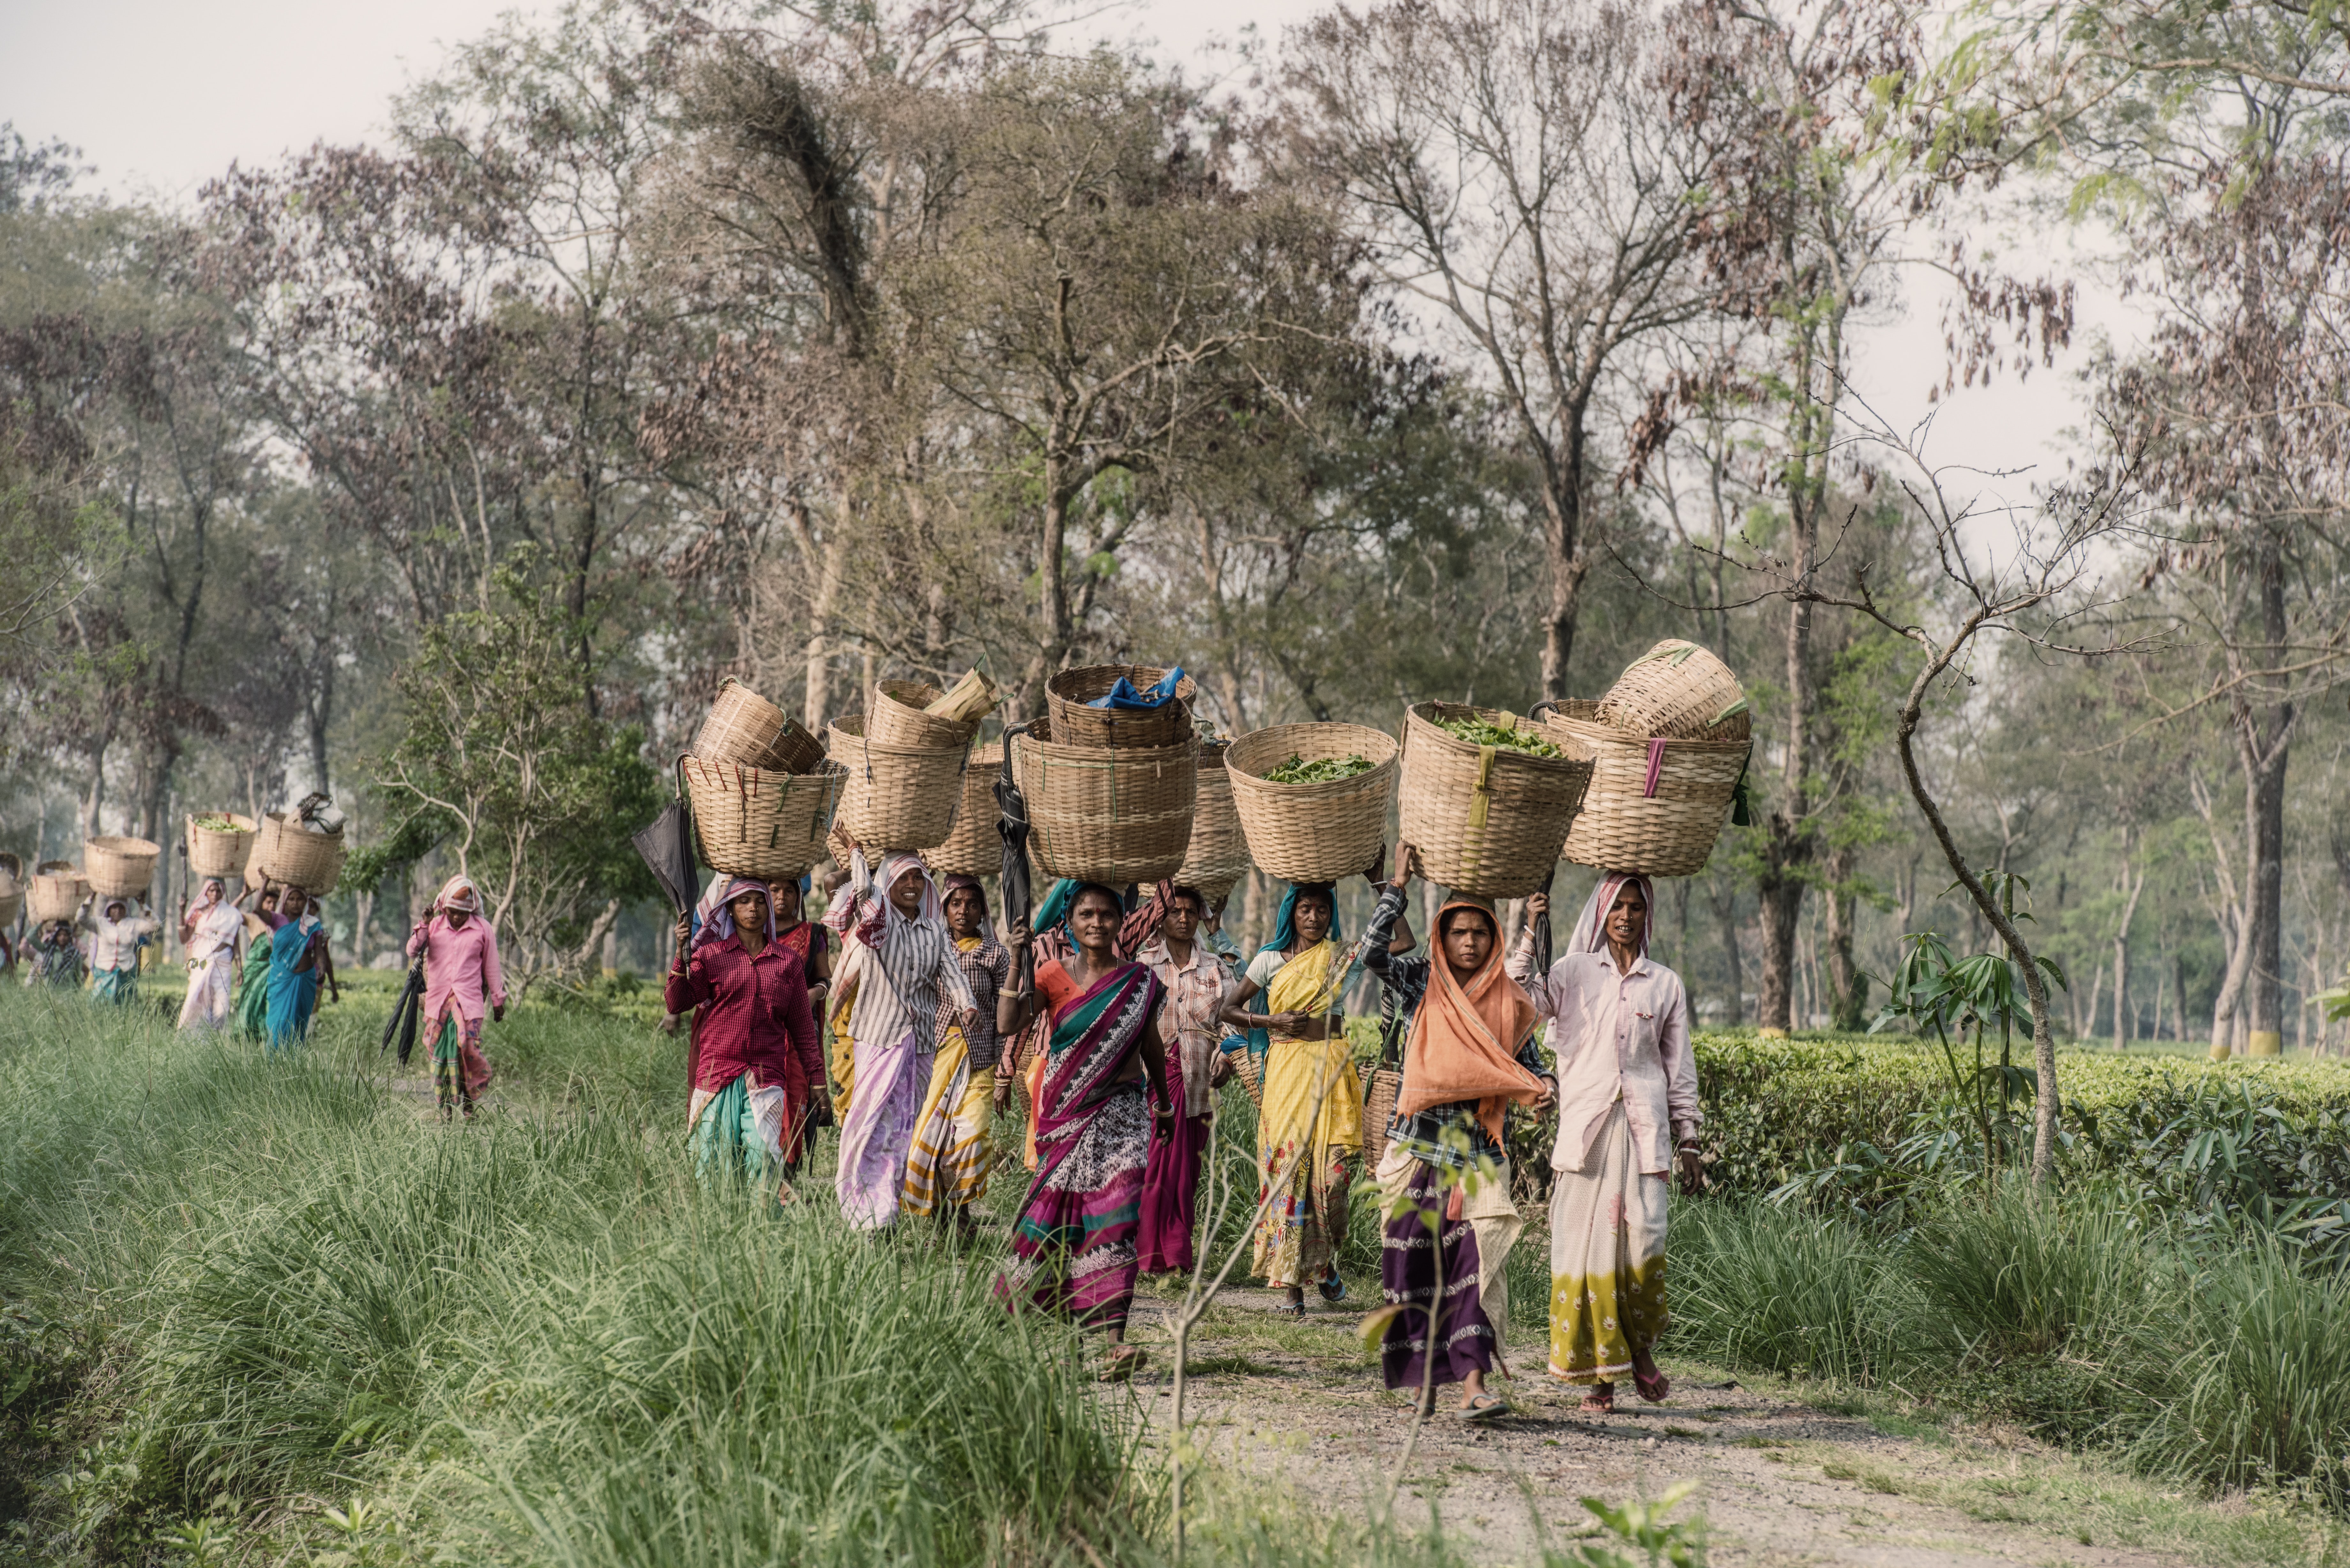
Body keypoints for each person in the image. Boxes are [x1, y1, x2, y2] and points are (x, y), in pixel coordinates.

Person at [1361, 844, 1553, 1419]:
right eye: (1458, 932)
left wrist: (1546, 1090)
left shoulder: (1510, 1002)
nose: (1469, 943)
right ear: (1441, 937)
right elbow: (1372, 953)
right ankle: (1423, 1382)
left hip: (1476, 1158)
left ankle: (1473, 1384)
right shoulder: (1420, 983)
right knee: (1412, 1267)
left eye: (1479, 933)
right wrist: (1396, 884)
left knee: (1473, 1269)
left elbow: (1532, 1065)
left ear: (1495, 939)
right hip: (1416, 1149)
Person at [1513, 873, 1703, 1413]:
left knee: (1642, 1249)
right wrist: (1532, 931)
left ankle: (1639, 1346)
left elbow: (1679, 1068)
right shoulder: (1572, 971)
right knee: (1589, 1251)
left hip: (1644, 1137)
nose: (1626, 915)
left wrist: (1689, 1139)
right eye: (1617, 905)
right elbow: (1520, 1001)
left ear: (1648, 916)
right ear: (1602, 913)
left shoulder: (1663, 984)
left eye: (1636, 906)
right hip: (1587, 1136)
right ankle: (1604, 1376)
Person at [995, 881, 1178, 1379]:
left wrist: (1163, 1104)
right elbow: (1008, 1021)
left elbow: (1152, 1046)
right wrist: (1017, 957)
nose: (1096, 923)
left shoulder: (1140, 981)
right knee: (1061, 1222)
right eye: (1086, 915)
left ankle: (1115, 1342)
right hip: (1064, 1115)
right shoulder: (1052, 975)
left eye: (1106, 915)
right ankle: (1057, 1331)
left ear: (1121, 922)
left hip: (1123, 1112)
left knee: (1116, 1216)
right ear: (1070, 924)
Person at [1217, 867, 1404, 1314]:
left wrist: (1382, 882)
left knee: (1334, 1179)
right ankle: (1292, 1287)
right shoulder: (1269, 960)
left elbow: (1403, 944)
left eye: (1323, 909)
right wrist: (1272, 1022)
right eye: (1306, 908)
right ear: (1292, 913)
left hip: (1332, 1071)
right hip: (1286, 1072)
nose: (1315, 916)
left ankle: (1323, 1265)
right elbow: (1228, 1008)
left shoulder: (1341, 957)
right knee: (1288, 1173)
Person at [823, 843, 978, 1229]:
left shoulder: (934, 930)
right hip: (879, 1036)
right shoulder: (879, 921)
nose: (911, 885)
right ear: (887, 882)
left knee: (908, 1126)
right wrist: (858, 855)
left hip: (922, 1040)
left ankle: (888, 1207)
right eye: (902, 878)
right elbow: (866, 898)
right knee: (873, 1122)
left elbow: (951, 971)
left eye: (917, 878)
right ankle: (865, 1213)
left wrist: (967, 1003)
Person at [665, 876, 824, 1202]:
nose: (753, 908)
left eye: (759, 901)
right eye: (743, 901)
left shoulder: (787, 963)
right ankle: (713, 1235)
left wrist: (818, 1081)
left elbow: (803, 1029)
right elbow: (676, 1002)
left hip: (766, 1078)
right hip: (717, 1075)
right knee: (711, 1165)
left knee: (763, 1160)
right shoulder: (711, 956)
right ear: (730, 909)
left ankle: (760, 1240)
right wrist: (681, 956)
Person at [903, 873, 1023, 1229]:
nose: (963, 910)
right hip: (934, 1057)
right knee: (931, 1142)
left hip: (980, 1063)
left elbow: (1008, 1019)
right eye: (956, 903)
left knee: (970, 1139)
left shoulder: (995, 955)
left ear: (982, 910)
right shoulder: (930, 948)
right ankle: (950, 1224)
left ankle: (961, 1214)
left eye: (972, 904)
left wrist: (1004, 1073)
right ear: (944, 907)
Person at [1134, 885, 1237, 1275]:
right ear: (1161, 915)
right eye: (1175, 910)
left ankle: (1175, 1254)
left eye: (1190, 911)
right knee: (1152, 1165)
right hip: (1149, 1080)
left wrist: (1226, 1056)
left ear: (1199, 917)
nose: (1182, 917)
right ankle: (1150, 1253)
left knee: (1184, 1174)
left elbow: (1231, 1018)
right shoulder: (1143, 964)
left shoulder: (1215, 967)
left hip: (1197, 1082)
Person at [407, 877, 507, 1118]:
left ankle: (469, 1104)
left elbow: (491, 967)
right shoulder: (434, 926)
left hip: (469, 1005)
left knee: (468, 1052)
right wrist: (424, 924)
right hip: (438, 1004)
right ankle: (446, 1109)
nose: (457, 917)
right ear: (444, 907)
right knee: (439, 1055)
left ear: (472, 910)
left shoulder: (482, 929)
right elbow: (412, 950)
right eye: (452, 912)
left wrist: (498, 1000)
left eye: (463, 913)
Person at [263, 884, 337, 1052]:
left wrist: (322, 968)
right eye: (292, 899)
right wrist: (264, 885)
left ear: (306, 902)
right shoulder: (277, 921)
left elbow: (319, 951)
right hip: (282, 979)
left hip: (306, 979)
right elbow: (257, 911)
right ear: (286, 901)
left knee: (299, 1024)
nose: (296, 903)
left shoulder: (313, 924)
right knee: (279, 1023)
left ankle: (293, 1064)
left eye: (301, 899)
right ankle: (272, 1064)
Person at [177, 878, 245, 1031]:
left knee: (222, 1006)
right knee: (197, 1000)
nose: (215, 894)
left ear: (223, 893)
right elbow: (184, 938)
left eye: (218, 890)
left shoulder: (231, 914)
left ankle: (219, 1038)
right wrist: (181, 911)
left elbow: (235, 940)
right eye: (211, 890)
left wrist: (240, 968)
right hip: (202, 962)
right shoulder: (198, 913)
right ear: (206, 893)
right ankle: (197, 1039)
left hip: (223, 963)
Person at [82, 895, 161, 1005]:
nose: (118, 911)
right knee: (99, 1002)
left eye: (121, 908)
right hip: (104, 969)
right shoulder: (100, 923)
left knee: (125, 1002)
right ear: (109, 910)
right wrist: (90, 899)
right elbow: (81, 919)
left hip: (126, 970)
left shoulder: (134, 924)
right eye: (114, 908)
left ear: (126, 910)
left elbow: (157, 926)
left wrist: (143, 906)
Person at [236, 886, 279, 1040]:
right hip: (255, 966)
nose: (272, 906)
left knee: (266, 1003)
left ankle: (267, 1036)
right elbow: (229, 914)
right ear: (261, 903)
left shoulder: (280, 921)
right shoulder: (253, 919)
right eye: (268, 902)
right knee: (250, 1001)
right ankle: (249, 1036)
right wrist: (243, 895)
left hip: (271, 968)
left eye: (275, 903)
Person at [23, 917, 83, 990]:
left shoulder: (75, 954)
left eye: (65, 935)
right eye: (60, 935)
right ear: (56, 936)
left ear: (69, 936)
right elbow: (30, 937)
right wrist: (41, 924)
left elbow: (78, 976)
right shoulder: (48, 950)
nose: (63, 938)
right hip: (50, 991)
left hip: (68, 993)